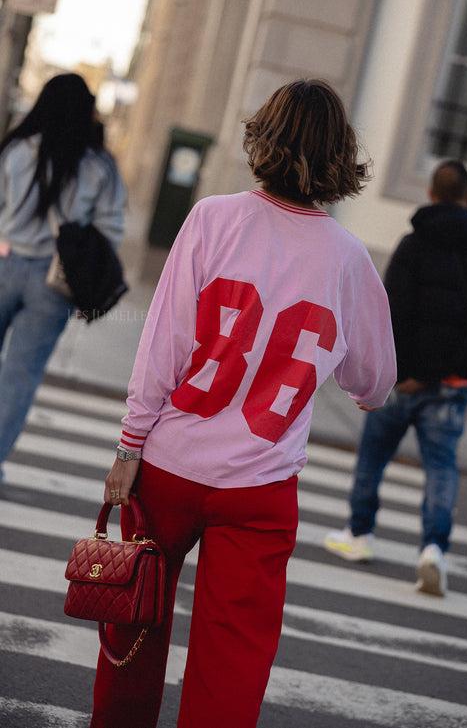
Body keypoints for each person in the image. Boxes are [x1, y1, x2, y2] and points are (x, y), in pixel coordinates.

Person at [91, 79, 396, 728]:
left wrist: (129, 446)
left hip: (171, 464)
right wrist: (359, 388)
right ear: (342, 157)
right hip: (259, 484)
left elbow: (164, 346)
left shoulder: (212, 218)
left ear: (264, 138)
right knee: (233, 660)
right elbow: (375, 378)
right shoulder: (348, 259)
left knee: (132, 629)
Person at [324, 160, 467, 596]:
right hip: (454, 385)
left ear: (431, 194)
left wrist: (401, 373)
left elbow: (390, 313)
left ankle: (359, 534)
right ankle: (434, 550)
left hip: (405, 383)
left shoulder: (413, 246)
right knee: (441, 468)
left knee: (373, 455)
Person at [0, 73, 126, 481]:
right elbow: (110, 229)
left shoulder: (17, 150)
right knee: (20, 377)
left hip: (5, 261)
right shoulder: (98, 166)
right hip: (52, 283)